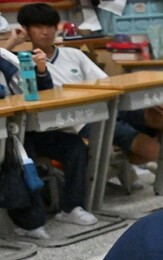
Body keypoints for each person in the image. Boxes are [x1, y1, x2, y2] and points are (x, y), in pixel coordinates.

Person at [13, 3, 163, 187]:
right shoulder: (22, 62)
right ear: (27, 30)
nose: (45, 32)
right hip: (80, 119)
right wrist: (13, 41)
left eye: (49, 26)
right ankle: (150, 162)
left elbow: (105, 82)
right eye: (38, 27)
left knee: (161, 117)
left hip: (106, 107)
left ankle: (134, 164)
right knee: (145, 146)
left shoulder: (73, 54)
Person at [0, 38, 95, 236]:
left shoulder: (8, 58)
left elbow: (42, 91)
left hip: (24, 127)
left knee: (74, 146)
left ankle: (71, 207)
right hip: (9, 134)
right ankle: (30, 222)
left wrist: (41, 71)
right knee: (21, 154)